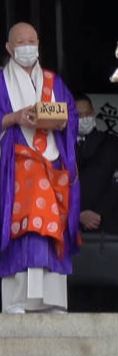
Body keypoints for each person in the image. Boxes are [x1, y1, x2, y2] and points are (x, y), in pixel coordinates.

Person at [0, 22, 80, 314]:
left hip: (52, 164)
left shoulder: (53, 82)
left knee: (52, 230)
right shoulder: (1, 82)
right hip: (16, 167)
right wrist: (14, 117)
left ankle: (53, 301)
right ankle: (17, 300)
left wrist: (61, 122)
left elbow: (70, 114)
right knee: (25, 229)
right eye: (20, 42)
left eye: (32, 40)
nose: (27, 46)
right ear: (9, 48)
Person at [69, 93, 118, 312]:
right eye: (77, 115)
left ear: (94, 114)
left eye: (87, 114)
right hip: (72, 224)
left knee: (108, 296)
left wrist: (98, 214)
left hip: (108, 224)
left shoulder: (111, 143)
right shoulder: (61, 147)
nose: (83, 118)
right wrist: (76, 214)